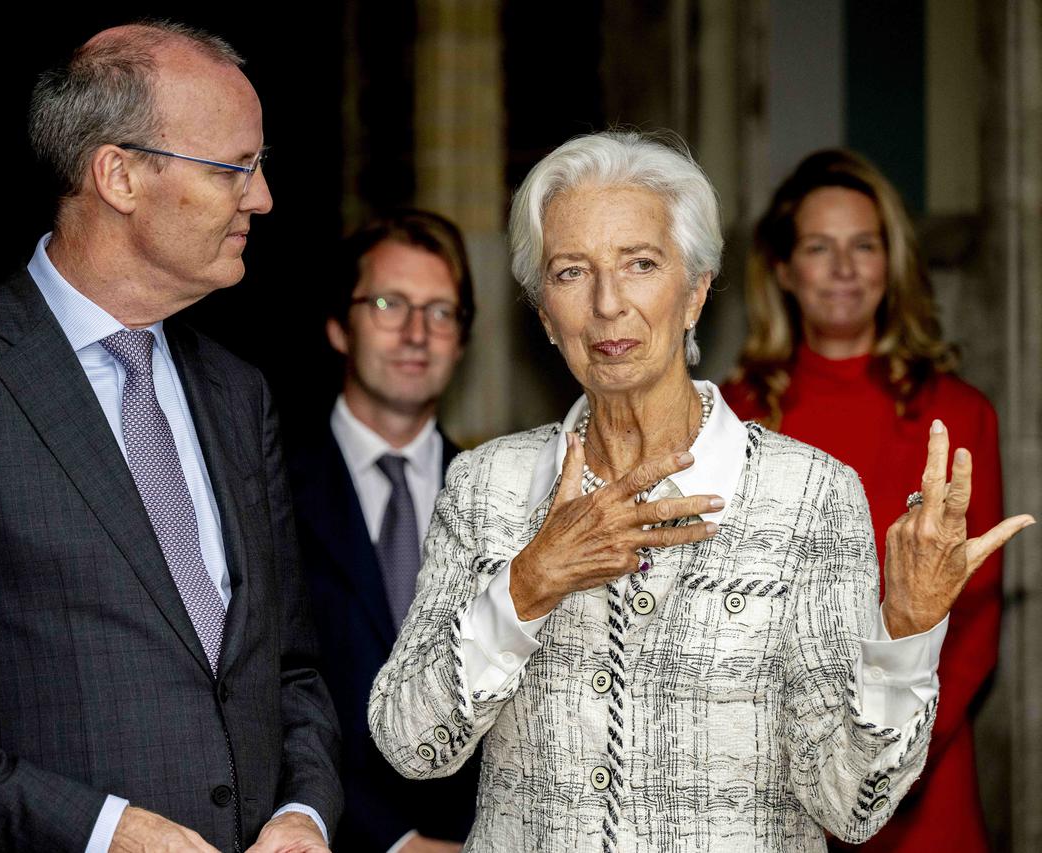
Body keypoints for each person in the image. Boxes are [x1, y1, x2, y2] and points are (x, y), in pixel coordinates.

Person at [366, 130, 1034, 852]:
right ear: (543, 316)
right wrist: (527, 583)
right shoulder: (484, 485)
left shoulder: (809, 492)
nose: (608, 303)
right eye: (570, 272)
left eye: (641, 264)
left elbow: (852, 803)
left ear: (695, 291)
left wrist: (905, 631)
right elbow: (410, 744)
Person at [0, 22, 340, 853]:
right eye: (235, 167)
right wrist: (103, 831)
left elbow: (291, 670)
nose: (263, 197)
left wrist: (304, 813)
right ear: (119, 174)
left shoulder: (240, 394)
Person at [721, 148, 1004, 853]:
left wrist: (890, 760)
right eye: (820, 247)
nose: (844, 269)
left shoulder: (959, 412)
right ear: (784, 270)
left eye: (863, 246)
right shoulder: (733, 416)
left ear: (892, 263)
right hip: (776, 785)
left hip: (922, 786)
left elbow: (973, 612)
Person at [288, 211, 478, 852]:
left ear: (461, 340)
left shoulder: (504, 496)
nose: (417, 333)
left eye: (441, 312)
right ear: (340, 326)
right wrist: (393, 841)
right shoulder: (267, 484)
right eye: (390, 304)